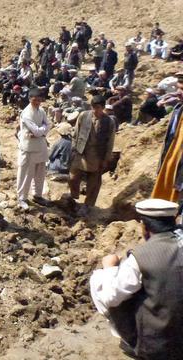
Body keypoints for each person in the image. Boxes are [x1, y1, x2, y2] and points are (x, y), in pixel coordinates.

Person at [90, 198, 183, 359]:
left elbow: (111, 297)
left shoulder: (141, 256)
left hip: (158, 348)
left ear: (144, 227)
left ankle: (129, 340)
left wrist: (110, 268)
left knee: (100, 280)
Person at [69, 95, 116, 215]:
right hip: (81, 152)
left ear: (103, 108)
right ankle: (73, 197)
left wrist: (106, 158)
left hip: (97, 155)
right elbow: (76, 133)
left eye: (98, 108)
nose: (95, 110)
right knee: (73, 177)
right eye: (93, 107)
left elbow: (110, 142)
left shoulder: (109, 122)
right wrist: (74, 148)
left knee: (93, 182)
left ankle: (87, 204)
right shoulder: (84, 115)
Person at [16, 88, 51, 209]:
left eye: (39, 100)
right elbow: (36, 130)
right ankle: (22, 198)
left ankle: (37, 195)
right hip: (29, 148)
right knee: (26, 175)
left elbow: (48, 125)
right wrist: (42, 131)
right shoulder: (26, 113)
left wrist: (40, 132)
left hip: (40, 146)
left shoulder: (41, 111)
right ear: (30, 99)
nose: (37, 102)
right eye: (35, 100)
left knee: (40, 174)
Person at [152, 72, 183, 203]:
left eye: (181, 89)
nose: (178, 92)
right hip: (173, 162)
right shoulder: (178, 109)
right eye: (178, 88)